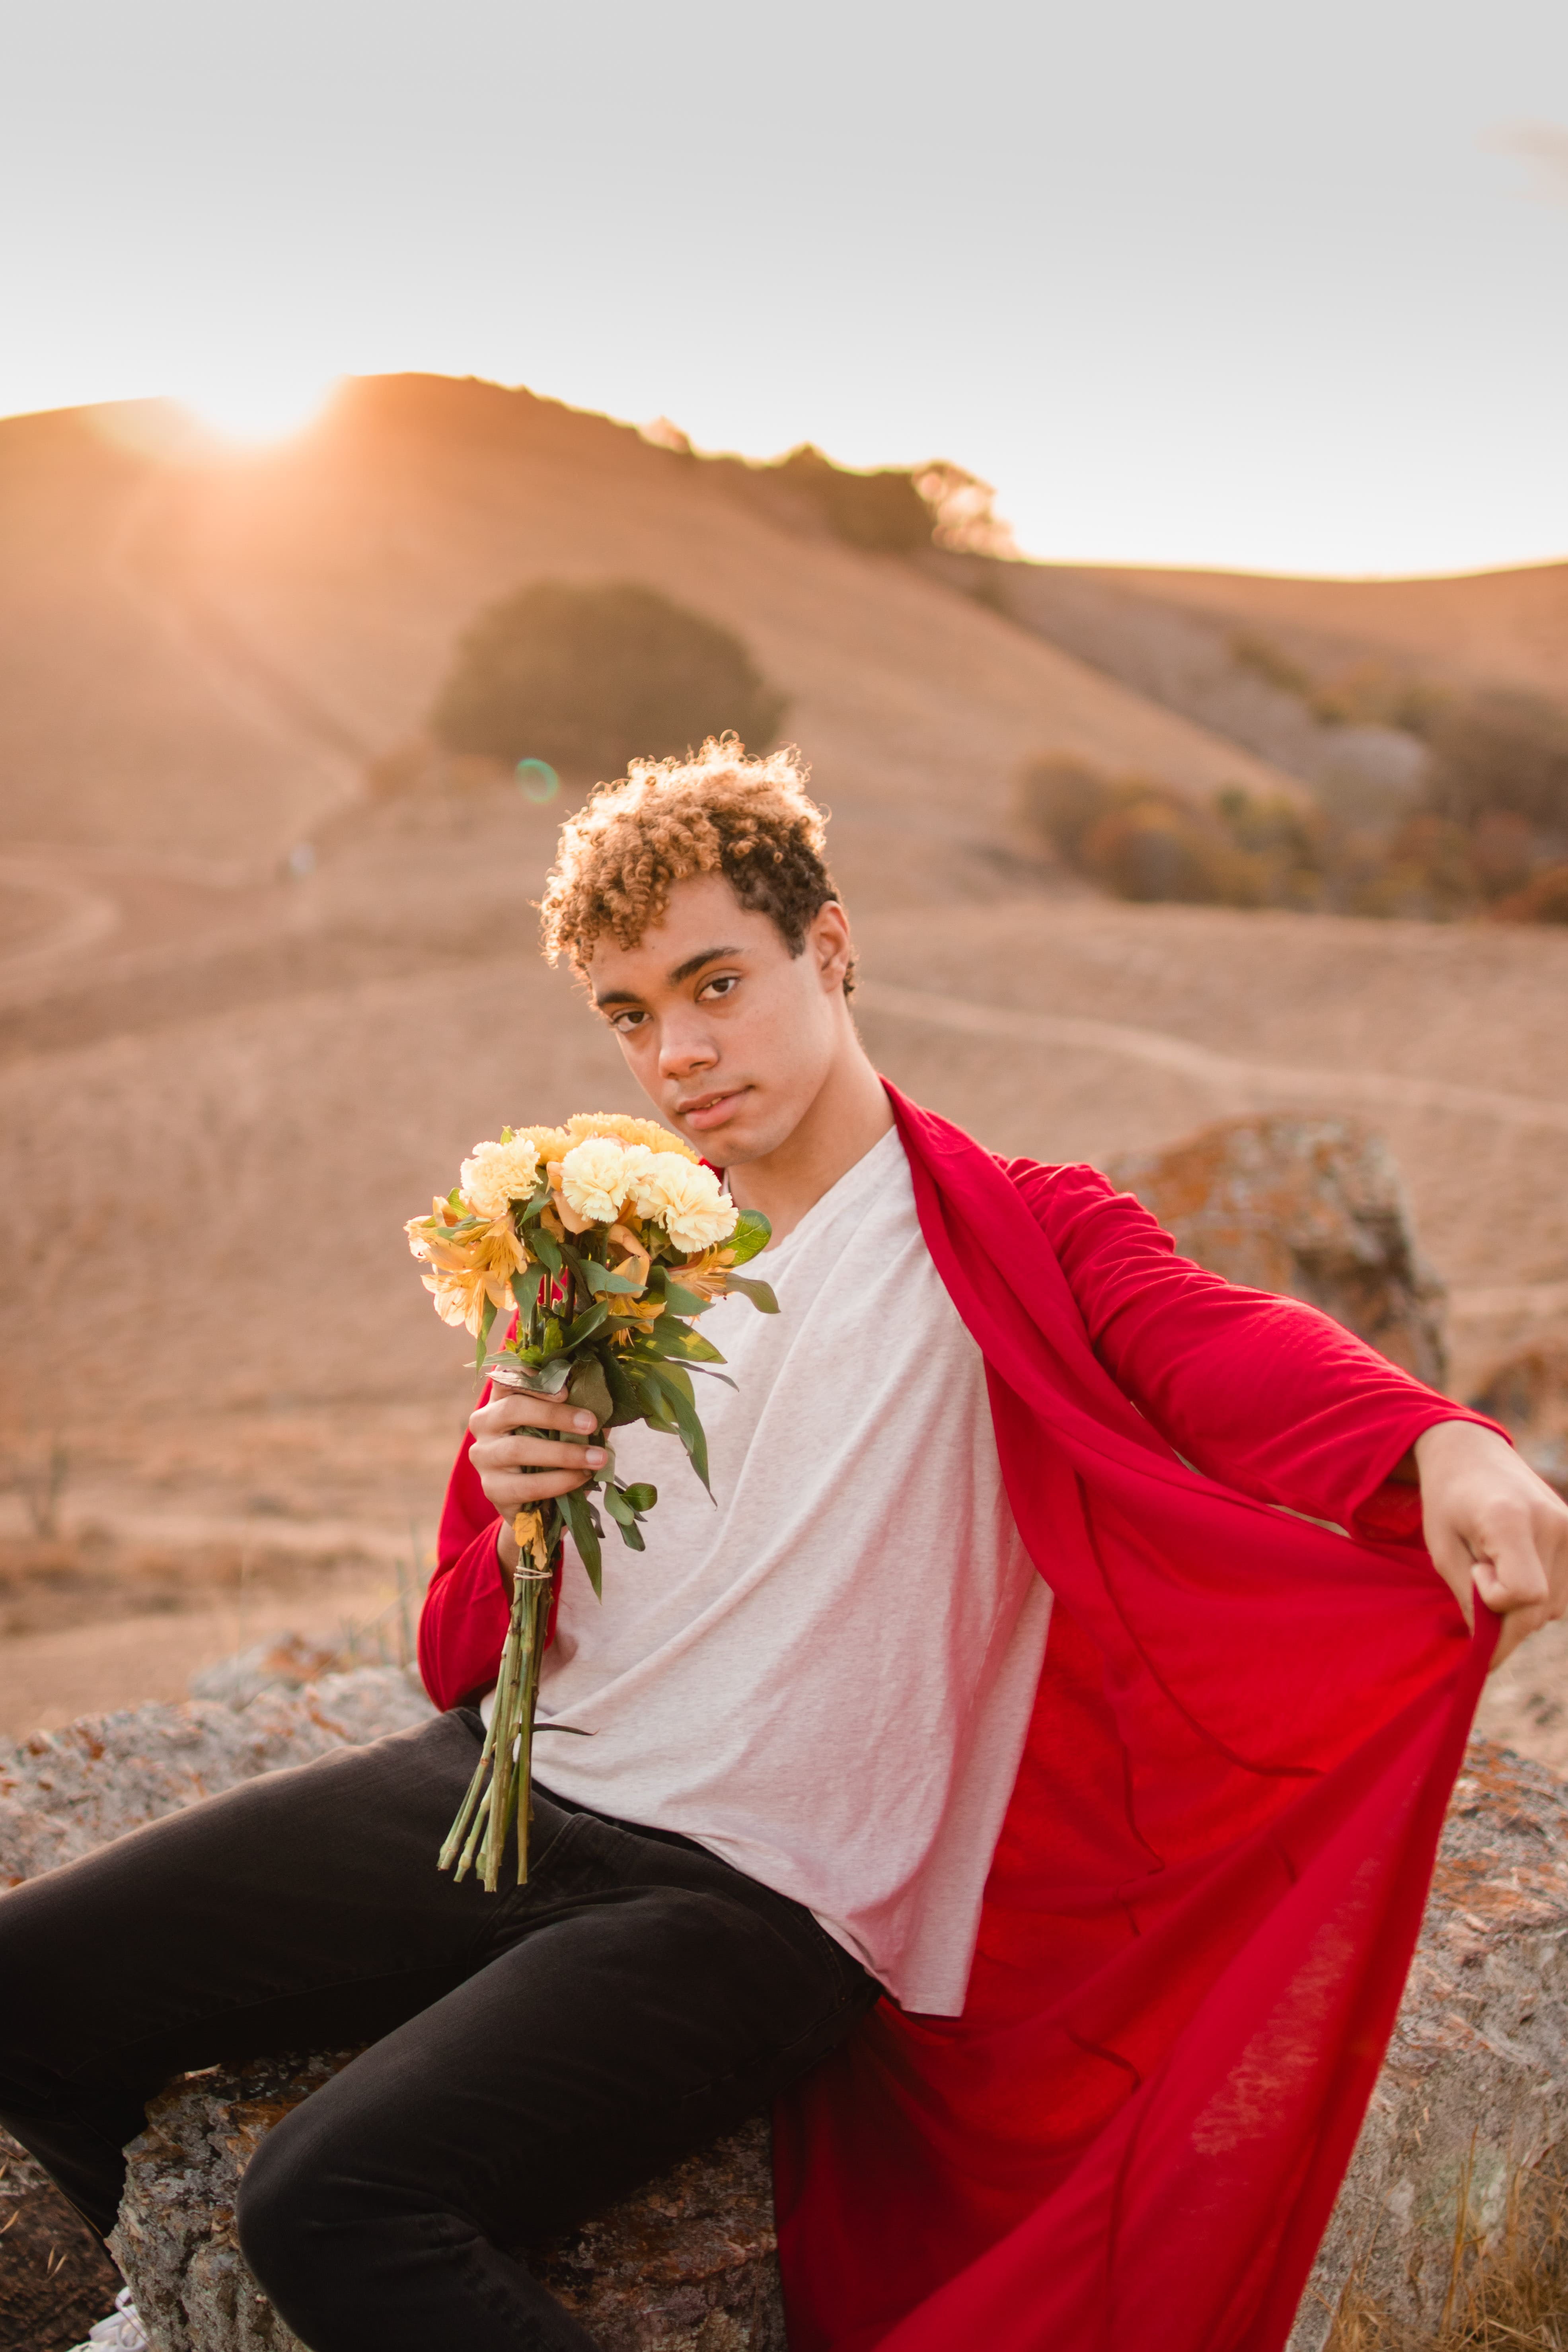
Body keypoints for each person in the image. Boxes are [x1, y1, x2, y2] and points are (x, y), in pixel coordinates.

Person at [2, 740, 1564, 2352]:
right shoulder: (611, 1257)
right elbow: (458, 1651)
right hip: (499, 1793)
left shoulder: (1010, 1230)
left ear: (827, 949)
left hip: (749, 1903)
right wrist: (498, 1492)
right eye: (627, 1012)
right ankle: (124, 2306)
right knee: (26, 1986)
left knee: (335, 2200)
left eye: (712, 984)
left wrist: (1435, 1440)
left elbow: (1220, 1345)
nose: (675, 1051)